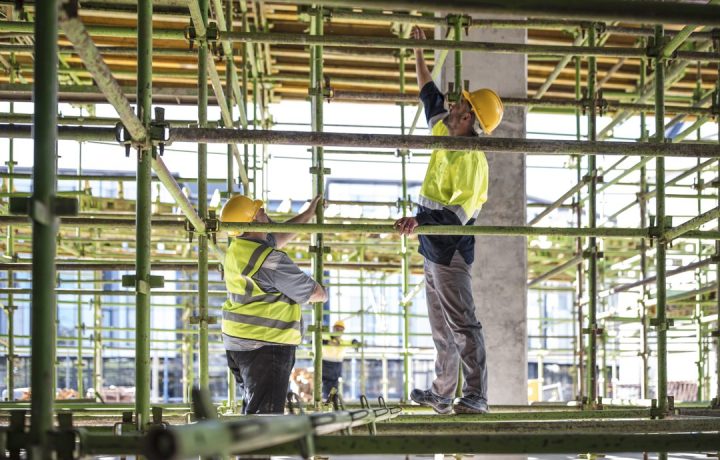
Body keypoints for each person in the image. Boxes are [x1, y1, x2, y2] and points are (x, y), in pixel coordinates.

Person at [394, 25, 503, 415]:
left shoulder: (473, 161)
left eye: (462, 103)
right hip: (431, 247)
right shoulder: (444, 128)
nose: (454, 102)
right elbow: (427, 92)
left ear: (470, 118)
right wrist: (420, 53)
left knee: (462, 325)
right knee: (441, 327)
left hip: (449, 250)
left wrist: (418, 222)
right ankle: (443, 393)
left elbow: (457, 217)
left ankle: (476, 395)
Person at [219, 194, 328, 414]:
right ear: (252, 222)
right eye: (258, 210)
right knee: (265, 419)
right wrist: (323, 290)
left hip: (239, 344)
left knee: (253, 411)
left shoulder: (238, 248)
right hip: (265, 346)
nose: (264, 211)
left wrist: (307, 215)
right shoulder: (269, 261)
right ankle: (252, 449)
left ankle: (245, 448)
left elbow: (278, 236)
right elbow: (315, 293)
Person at [321, 320, 360, 399]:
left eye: (340, 329)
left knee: (334, 387)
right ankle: (327, 402)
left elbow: (352, 342)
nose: (338, 331)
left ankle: (332, 401)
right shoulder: (326, 337)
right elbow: (316, 341)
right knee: (326, 386)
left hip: (337, 366)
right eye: (337, 329)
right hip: (326, 365)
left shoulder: (342, 342)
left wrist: (355, 342)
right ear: (333, 329)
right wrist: (328, 342)